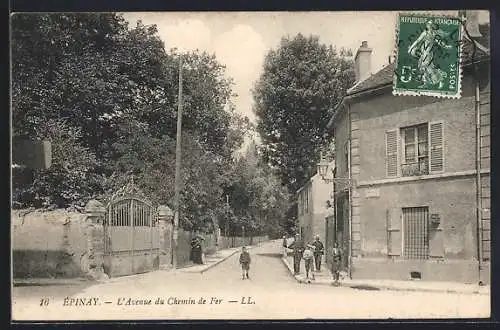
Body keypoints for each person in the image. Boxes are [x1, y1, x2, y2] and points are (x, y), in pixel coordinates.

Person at [407, 19, 453, 89]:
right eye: (428, 25)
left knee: (426, 67)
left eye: (431, 25)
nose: (429, 26)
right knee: (427, 68)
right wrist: (411, 49)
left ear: (433, 26)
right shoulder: (425, 33)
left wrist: (447, 46)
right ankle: (426, 83)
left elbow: (439, 42)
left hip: (429, 53)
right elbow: (417, 41)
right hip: (423, 52)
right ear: (427, 26)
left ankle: (440, 80)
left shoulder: (434, 34)